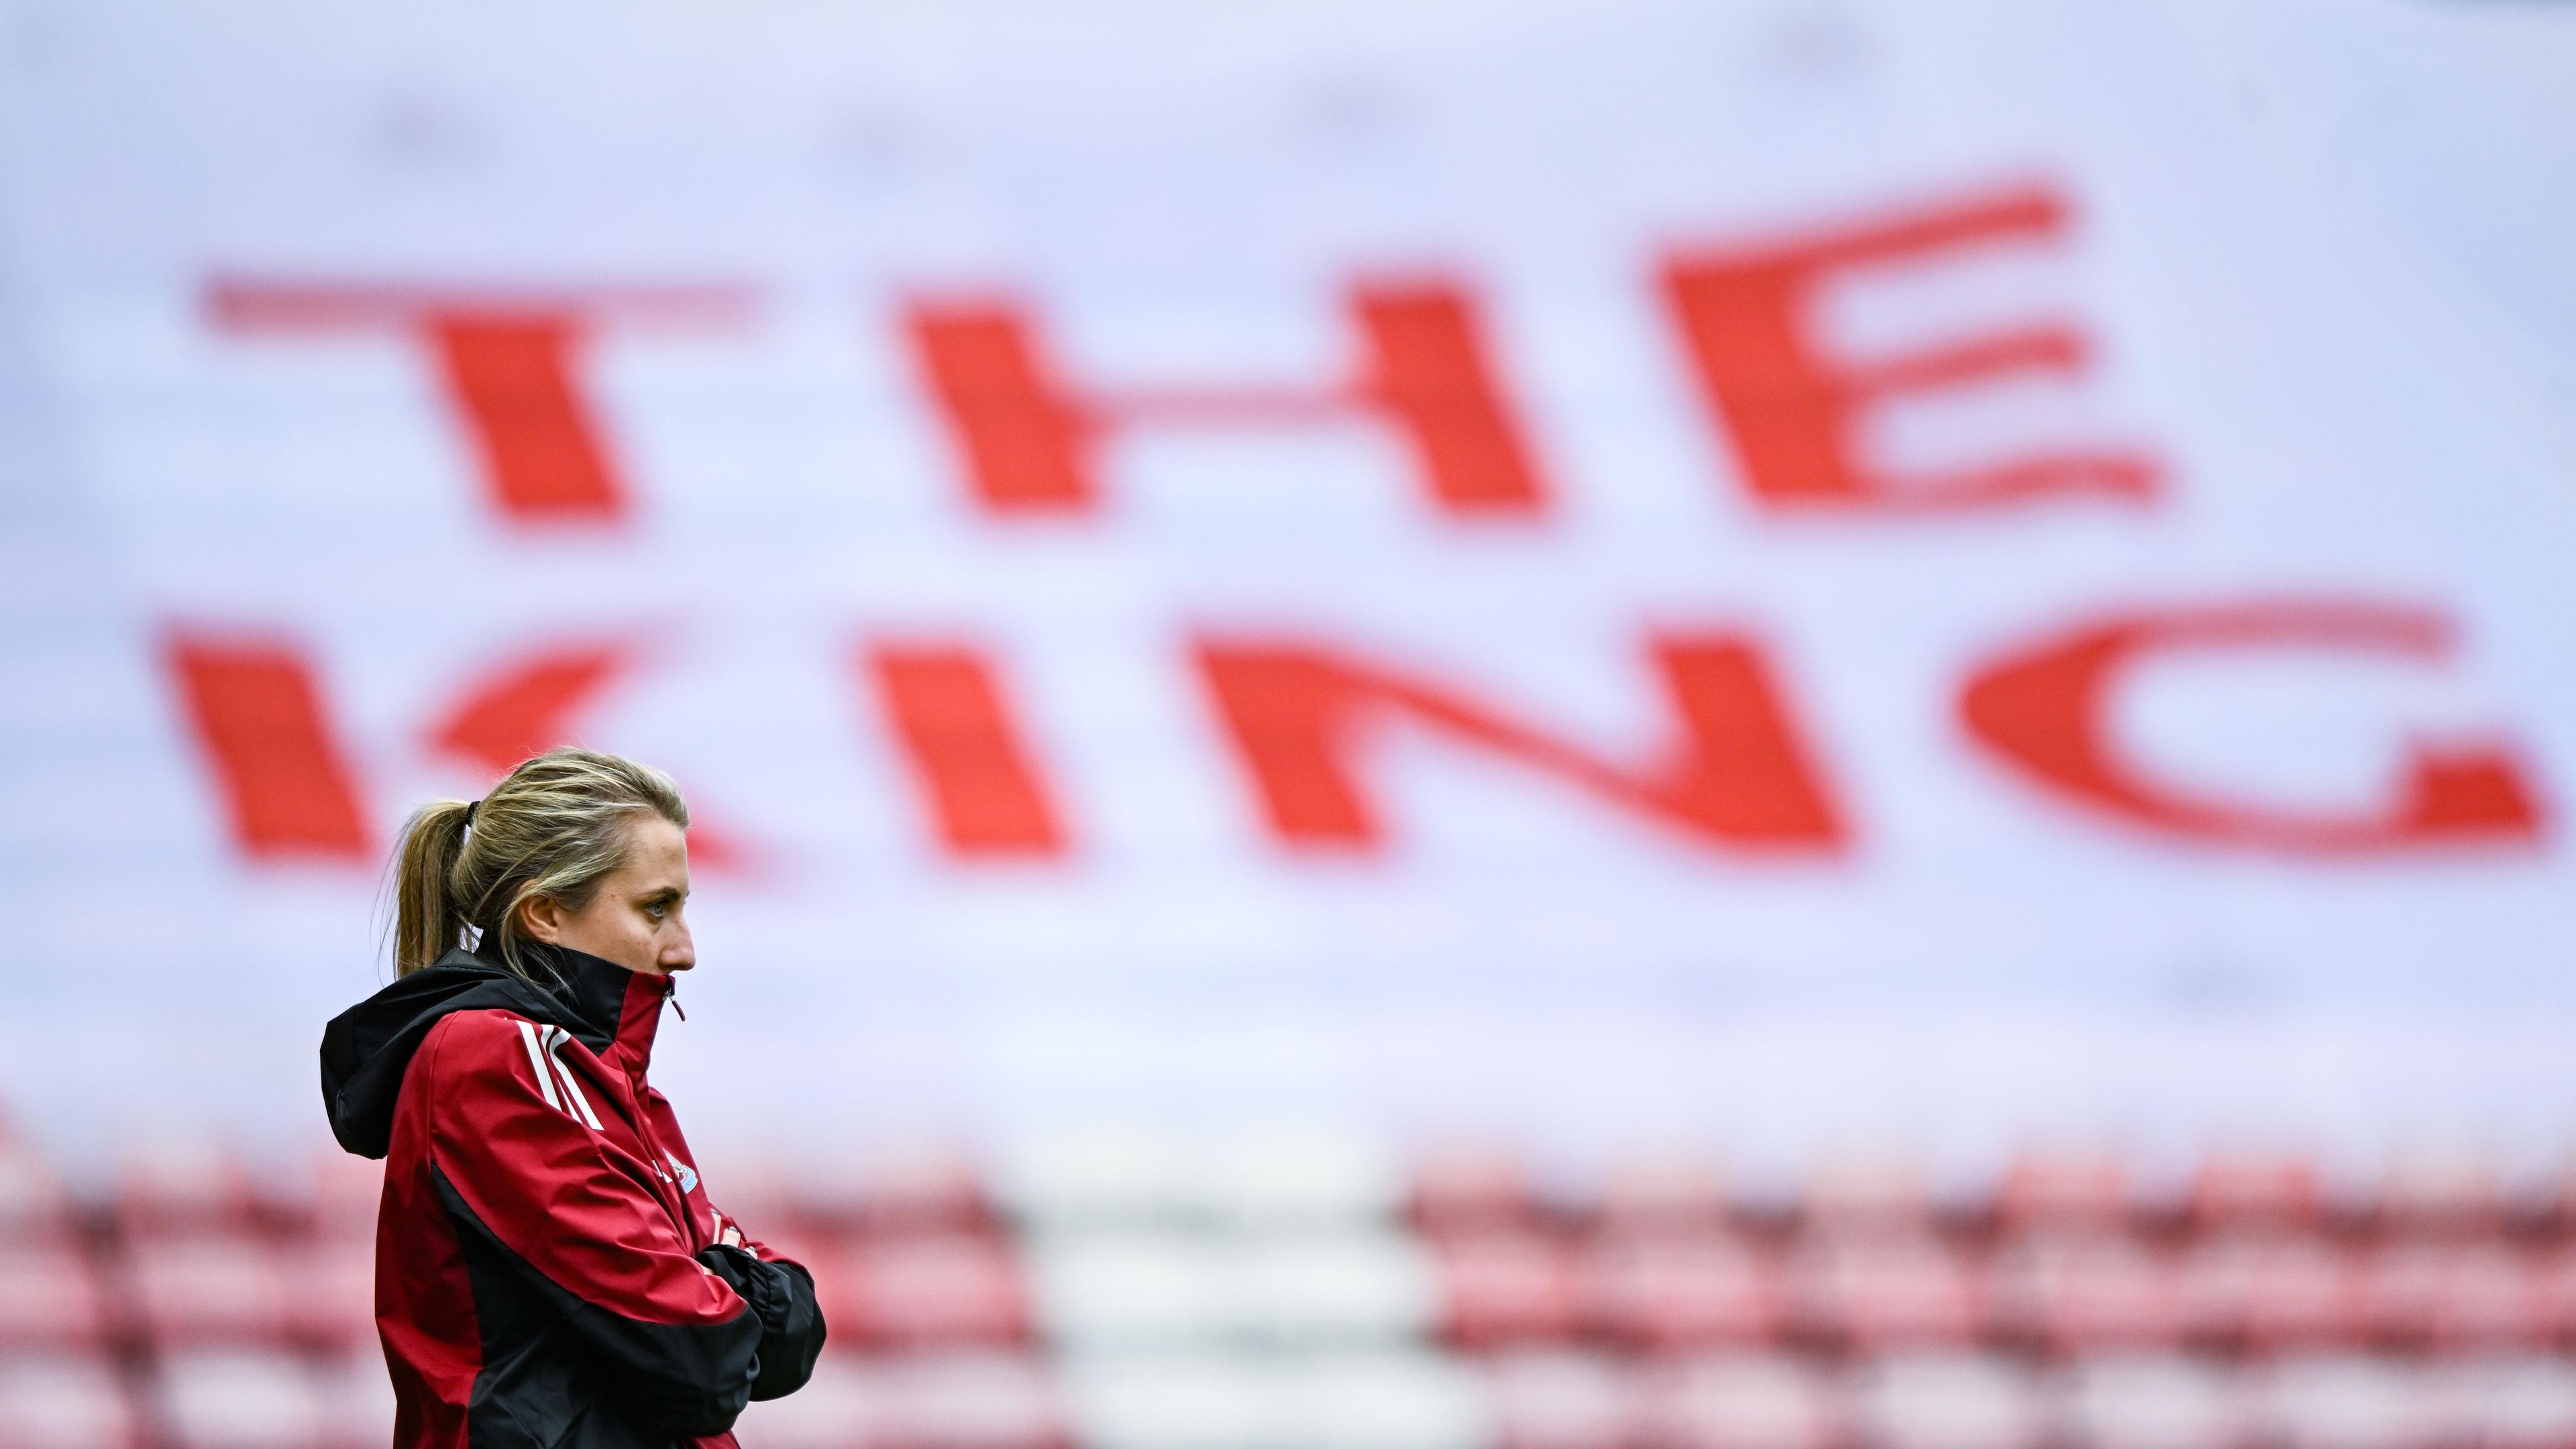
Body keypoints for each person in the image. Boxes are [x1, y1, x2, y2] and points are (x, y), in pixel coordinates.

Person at [320, 747, 824, 1448]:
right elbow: (699, 1352)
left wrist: (722, 1288)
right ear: (545, 914)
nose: (685, 949)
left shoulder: (604, 1079)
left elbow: (793, 1329)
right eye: (657, 909)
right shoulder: (494, 1060)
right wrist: (723, 1287)